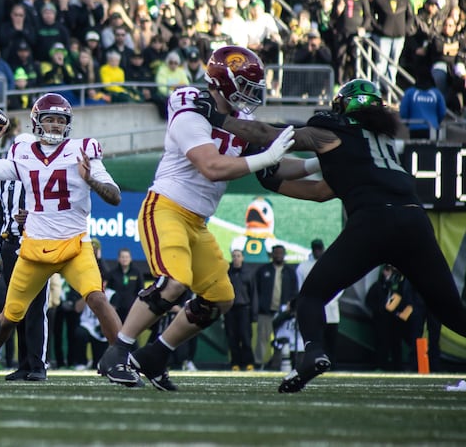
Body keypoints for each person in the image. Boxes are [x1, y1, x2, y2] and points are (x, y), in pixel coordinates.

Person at [193, 77, 466, 392]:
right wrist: (276, 183)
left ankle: (313, 353)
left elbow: (270, 135)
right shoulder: (383, 143)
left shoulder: (334, 132)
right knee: (451, 311)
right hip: (414, 221)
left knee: (311, 296)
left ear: (345, 106)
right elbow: (323, 191)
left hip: (373, 222)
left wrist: (218, 119)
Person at [97, 46, 296, 391]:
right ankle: (118, 351)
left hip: (198, 221)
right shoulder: (190, 109)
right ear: (222, 82)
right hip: (167, 207)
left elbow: (278, 163)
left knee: (222, 297)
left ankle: (156, 355)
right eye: (245, 84)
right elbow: (212, 166)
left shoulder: (240, 121)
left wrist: (314, 165)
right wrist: (266, 158)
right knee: (174, 281)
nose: (251, 93)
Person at [0, 93, 139, 385]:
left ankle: (121, 362)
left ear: (68, 125)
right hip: (35, 246)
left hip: (75, 244)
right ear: (36, 122)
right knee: (10, 315)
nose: (54, 125)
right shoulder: (22, 152)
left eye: (60, 120)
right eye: (48, 119)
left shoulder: (82, 151)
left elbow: (115, 196)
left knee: (97, 298)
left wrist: (91, 180)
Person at [0, 133, 49, 381]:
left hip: (35, 245)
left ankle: (38, 365)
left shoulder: (40, 176)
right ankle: (24, 364)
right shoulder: (2, 182)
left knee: (36, 308)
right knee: (15, 309)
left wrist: (33, 218)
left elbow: (55, 211)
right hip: (9, 245)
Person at [296, 239, 341, 366]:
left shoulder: (332, 265)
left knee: (331, 339)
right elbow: (301, 289)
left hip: (331, 308)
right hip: (313, 309)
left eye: (319, 249)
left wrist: (328, 299)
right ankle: (318, 365)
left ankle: (333, 364)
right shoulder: (303, 267)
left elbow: (341, 286)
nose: (318, 251)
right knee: (317, 339)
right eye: (315, 249)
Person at [254, 245, 298, 368]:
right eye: (276, 253)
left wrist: (291, 308)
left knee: (284, 340)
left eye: (281, 253)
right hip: (266, 311)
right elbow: (256, 290)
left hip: (284, 313)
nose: (278, 255)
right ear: (272, 255)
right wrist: (260, 306)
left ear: (284, 255)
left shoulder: (290, 272)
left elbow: (295, 292)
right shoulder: (263, 270)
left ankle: (280, 364)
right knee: (262, 339)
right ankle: (259, 364)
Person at [225, 249, 255, 371]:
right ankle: (235, 363)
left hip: (244, 309)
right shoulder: (228, 273)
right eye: (234, 256)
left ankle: (248, 362)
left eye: (238, 256)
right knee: (232, 337)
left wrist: (254, 313)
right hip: (230, 309)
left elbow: (253, 294)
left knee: (246, 337)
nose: (236, 258)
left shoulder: (248, 273)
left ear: (242, 257)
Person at [106, 248, 145, 323]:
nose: (124, 259)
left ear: (130, 259)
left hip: (131, 309)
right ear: (118, 259)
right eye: (122, 257)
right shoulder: (112, 273)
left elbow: (141, 291)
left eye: (127, 257)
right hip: (116, 309)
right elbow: (108, 292)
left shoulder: (136, 273)